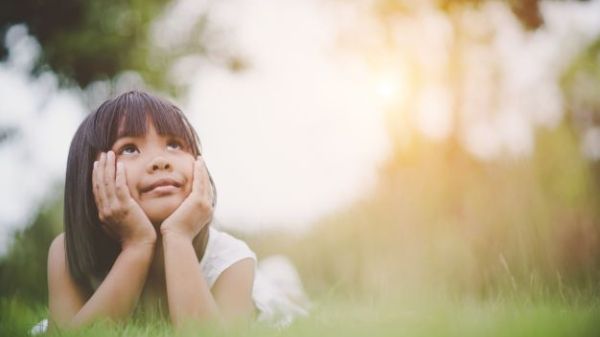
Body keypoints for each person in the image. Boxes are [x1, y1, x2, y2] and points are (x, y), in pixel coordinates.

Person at [40, 91, 308, 333]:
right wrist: (136, 245)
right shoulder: (67, 252)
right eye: (130, 148)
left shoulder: (232, 259)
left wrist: (178, 236)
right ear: (90, 175)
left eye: (174, 145)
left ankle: (282, 278)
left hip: (260, 293)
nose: (160, 161)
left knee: (279, 289)